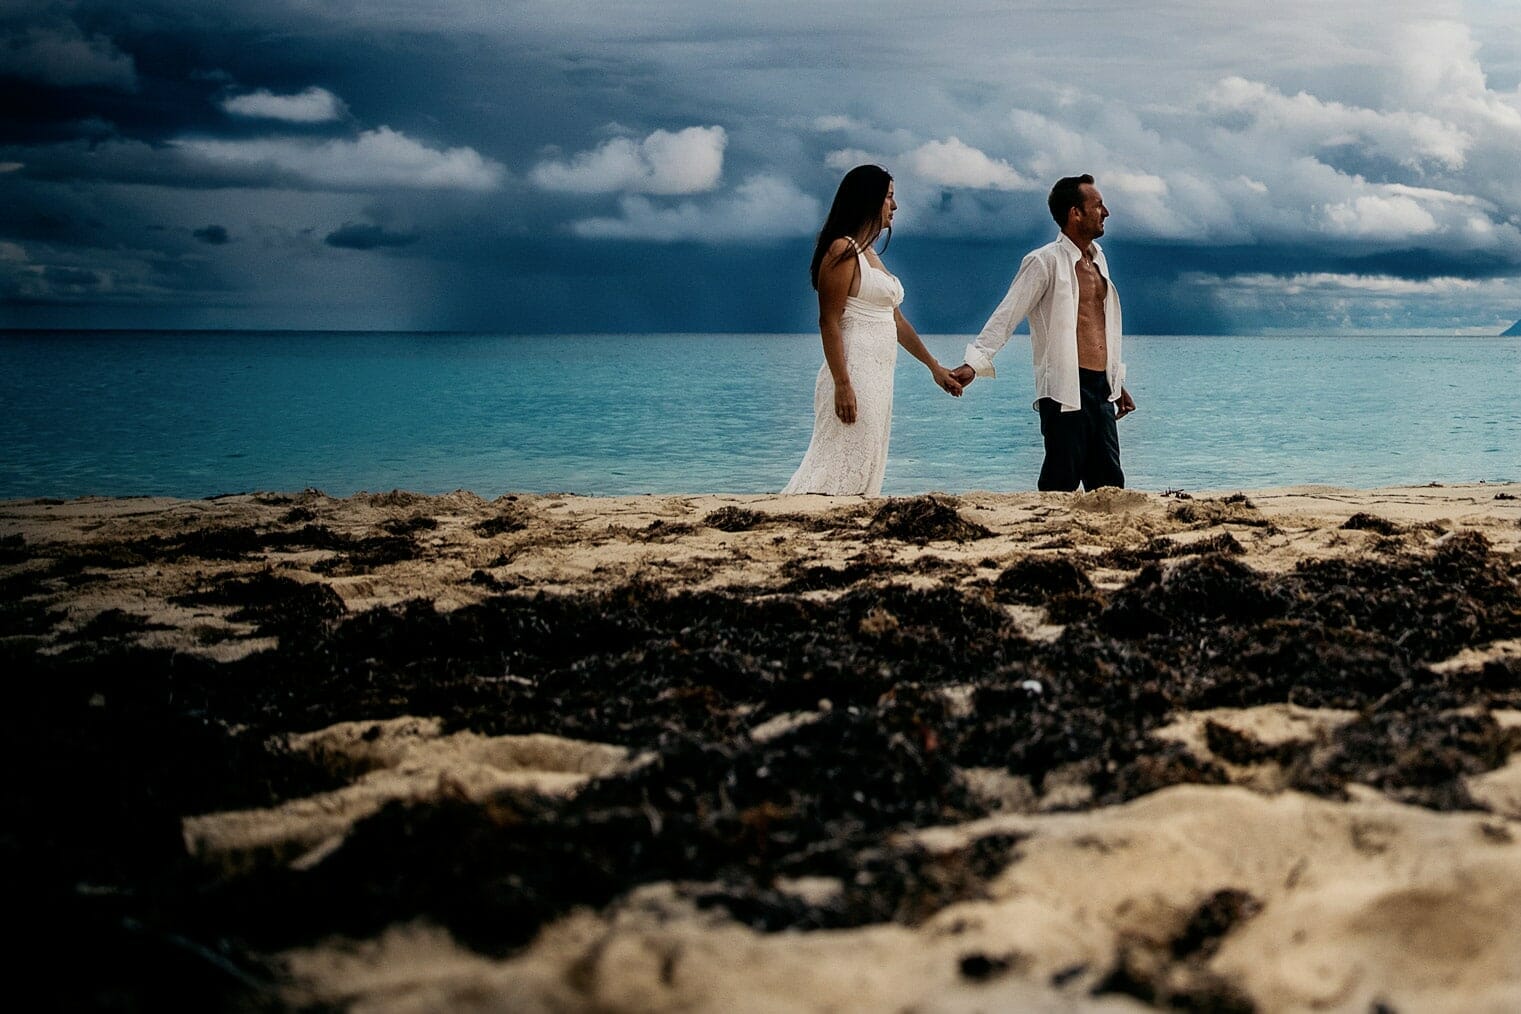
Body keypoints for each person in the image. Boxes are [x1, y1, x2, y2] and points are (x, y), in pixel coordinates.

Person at [783, 165, 964, 495]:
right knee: (838, 458)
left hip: (879, 376)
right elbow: (829, 321)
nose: (894, 206)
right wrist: (842, 384)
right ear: (869, 201)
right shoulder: (842, 250)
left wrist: (934, 367)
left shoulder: (868, 254)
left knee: (866, 457)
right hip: (853, 373)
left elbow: (896, 321)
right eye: (889, 197)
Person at [950, 174, 1136, 491]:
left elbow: (1095, 326)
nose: (1106, 212)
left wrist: (1117, 382)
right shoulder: (1043, 261)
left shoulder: (1098, 259)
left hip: (1101, 388)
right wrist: (975, 363)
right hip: (1064, 386)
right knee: (1060, 483)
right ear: (1075, 213)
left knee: (1109, 486)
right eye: (1098, 205)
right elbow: (1008, 313)